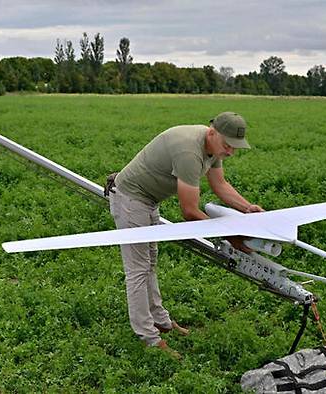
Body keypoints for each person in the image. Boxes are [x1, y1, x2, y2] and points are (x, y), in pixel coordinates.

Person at [106, 112, 263, 359]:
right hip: (131, 199)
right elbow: (190, 212)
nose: (231, 152)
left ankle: (160, 321)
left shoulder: (212, 148)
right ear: (212, 132)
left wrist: (247, 208)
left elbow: (220, 185)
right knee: (137, 269)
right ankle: (148, 337)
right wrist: (229, 235)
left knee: (150, 264)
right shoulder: (189, 151)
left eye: (235, 148)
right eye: (228, 145)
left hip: (148, 201)